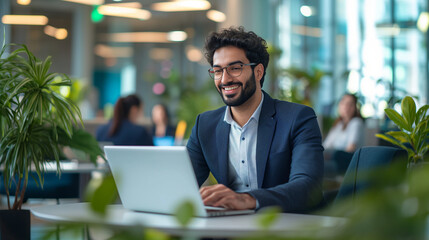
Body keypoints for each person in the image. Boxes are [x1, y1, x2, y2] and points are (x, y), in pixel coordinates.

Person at [186, 27, 324, 213]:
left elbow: (308, 187)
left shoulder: (297, 118)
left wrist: (247, 200)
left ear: (258, 72)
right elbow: (180, 183)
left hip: (283, 225)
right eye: (218, 71)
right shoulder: (205, 124)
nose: (225, 79)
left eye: (235, 68)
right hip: (227, 228)